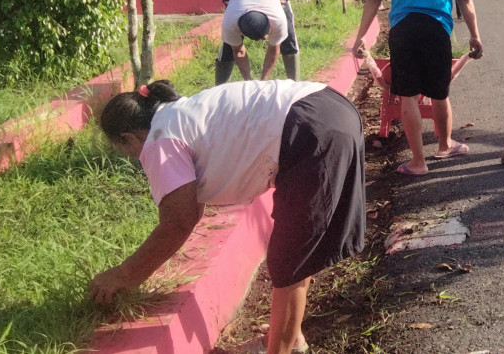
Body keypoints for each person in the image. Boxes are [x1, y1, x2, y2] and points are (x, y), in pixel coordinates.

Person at [89, 78, 365, 354]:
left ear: (129, 138)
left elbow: (178, 223)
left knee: (289, 258)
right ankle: (290, 340)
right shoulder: (179, 116)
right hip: (329, 108)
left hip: (310, 129)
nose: (135, 159)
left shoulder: (159, 139)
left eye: (127, 152)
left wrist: (124, 274)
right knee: (296, 250)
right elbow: (189, 209)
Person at [353, 0, 483, 176]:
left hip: (403, 27)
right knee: (439, 92)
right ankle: (445, 145)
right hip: (438, 27)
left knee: (408, 96)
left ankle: (418, 162)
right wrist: (475, 35)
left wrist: (361, 36)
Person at [216, 0, 298, 85]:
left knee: (289, 40)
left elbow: (274, 49)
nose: (265, 39)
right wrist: (249, 82)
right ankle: (220, 89)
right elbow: (238, 51)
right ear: (241, 31)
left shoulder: (278, 19)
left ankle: (295, 85)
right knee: (228, 47)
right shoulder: (230, 22)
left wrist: (263, 81)